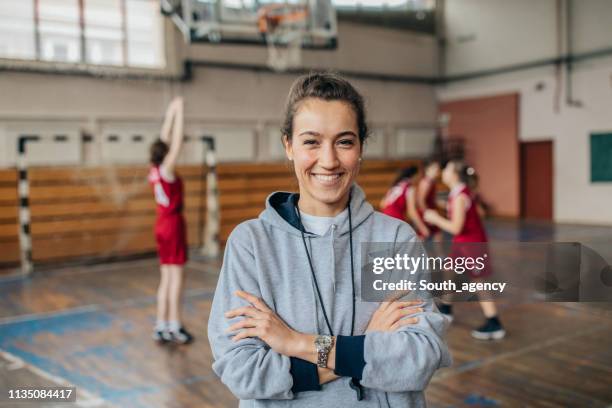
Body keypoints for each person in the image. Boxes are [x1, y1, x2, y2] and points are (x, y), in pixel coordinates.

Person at [208, 72, 450, 407]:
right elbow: (244, 371)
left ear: (361, 147)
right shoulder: (251, 244)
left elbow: (418, 359)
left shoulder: (393, 239)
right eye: (311, 141)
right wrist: (363, 345)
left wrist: (295, 343)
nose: (329, 160)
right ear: (288, 146)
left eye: (344, 141)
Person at [424, 160, 506, 340]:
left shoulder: (460, 196)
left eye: (447, 168)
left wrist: (435, 218)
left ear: (454, 175)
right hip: (463, 242)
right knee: (449, 270)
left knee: (479, 282)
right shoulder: (459, 192)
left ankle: (494, 323)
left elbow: (455, 228)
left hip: (471, 243)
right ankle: (446, 307)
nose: (443, 171)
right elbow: (479, 214)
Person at [148, 96, 194, 345]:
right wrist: (181, 112)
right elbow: (174, 142)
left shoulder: (154, 169)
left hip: (160, 225)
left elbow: (164, 140)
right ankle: (175, 325)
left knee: (165, 277)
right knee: (176, 278)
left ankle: (161, 324)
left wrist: (171, 111)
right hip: (173, 225)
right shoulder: (166, 169)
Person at [379, 166, 430, 239]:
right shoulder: (410, 188)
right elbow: (412, 212)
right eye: (419, 175)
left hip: (384, 219)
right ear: (414, 175)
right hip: (396, 220)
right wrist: (422, 228)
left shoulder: (396, 185)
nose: (420, 177)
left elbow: (382, 204)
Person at [417, 160, 443, 242]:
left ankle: (439, 254)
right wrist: (427, 213)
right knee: (424, 234)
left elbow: (432, 200)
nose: (438, 170)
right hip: (426, 212)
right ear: (428, 169)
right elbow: (420, 201)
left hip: (430, 211)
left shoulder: (432, 182)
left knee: (437, 234)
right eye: (435, 168)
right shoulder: (426, 182)